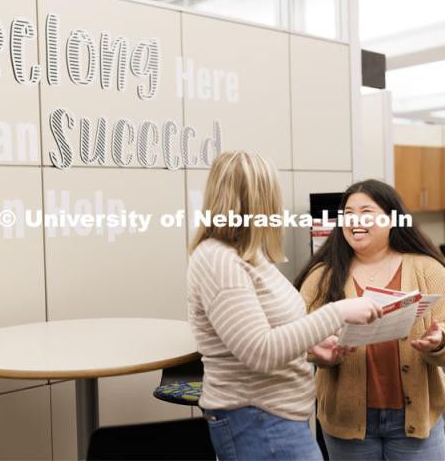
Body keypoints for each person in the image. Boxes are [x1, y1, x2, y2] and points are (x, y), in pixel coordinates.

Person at [187, 152, 382, 461]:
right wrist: (337, 312)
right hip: (257, 421)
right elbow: (260, 351)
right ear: (260, 200)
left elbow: (268, 334)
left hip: (276, 419)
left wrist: (312, 347)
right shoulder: (219, 261)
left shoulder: (249, 255)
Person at [295, 179, 445, 461]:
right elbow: (299, 339)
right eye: (348, 214)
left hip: (416, 420)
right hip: (347, 421)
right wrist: (322, 351)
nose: (355, 220)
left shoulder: (428, 269)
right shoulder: (321, 277)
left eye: (366, 211)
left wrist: (439, 342)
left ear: (392, 220)